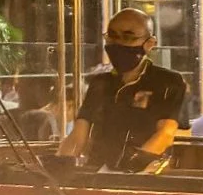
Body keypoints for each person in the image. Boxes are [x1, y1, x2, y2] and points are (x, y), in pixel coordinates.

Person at [58, 9, 186, 173]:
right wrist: (60, 165)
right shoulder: (100, 83)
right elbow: (78, 134)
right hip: (98, 173)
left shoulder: (168, 82)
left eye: (127, 37)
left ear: (149, 44)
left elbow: (165, 134)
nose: (118, 43)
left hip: (145, 177)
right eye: (112, 36)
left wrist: (130, 169)